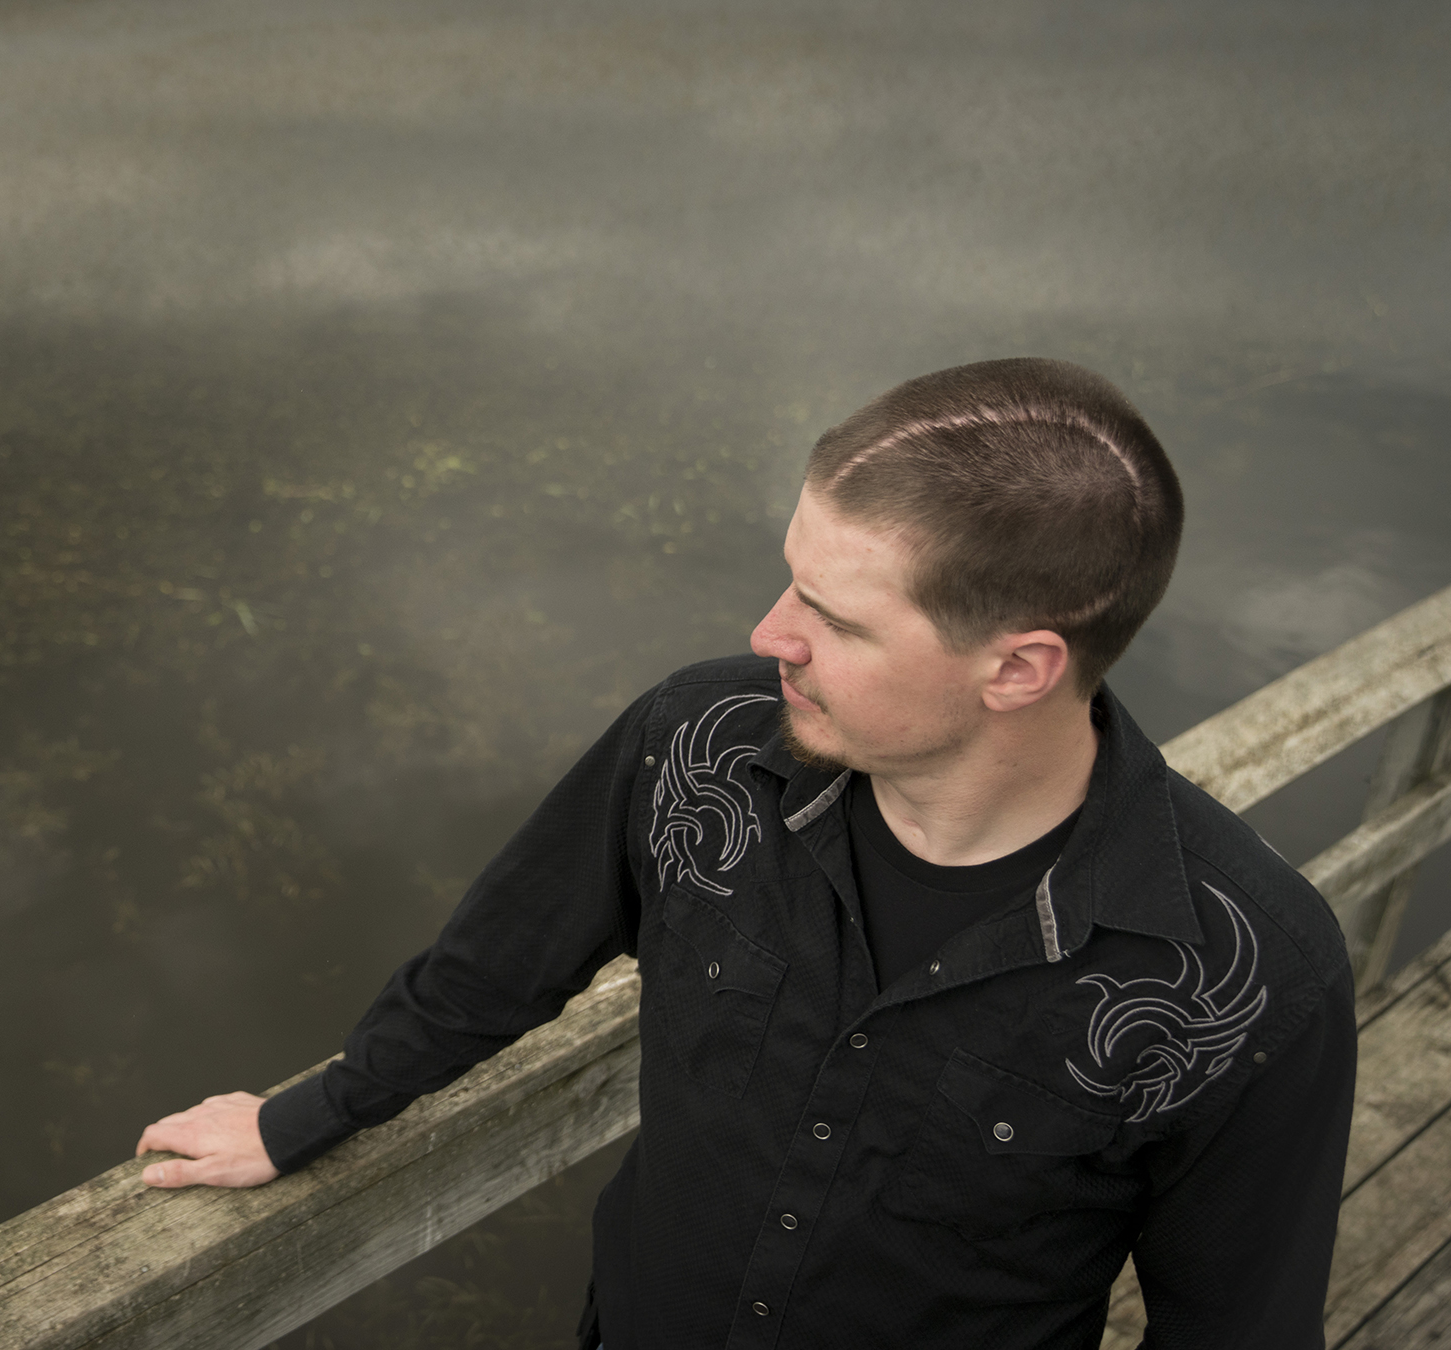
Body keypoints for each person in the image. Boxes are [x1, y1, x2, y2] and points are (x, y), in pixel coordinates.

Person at [133, 357, 1357, 1349]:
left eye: (832, 617)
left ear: (1019, 668)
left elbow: (1236, 1329)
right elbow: (498, 963)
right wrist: (314, 1113)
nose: (770, 632)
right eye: (791, 582)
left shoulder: (1241, 977)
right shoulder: (701, 743)